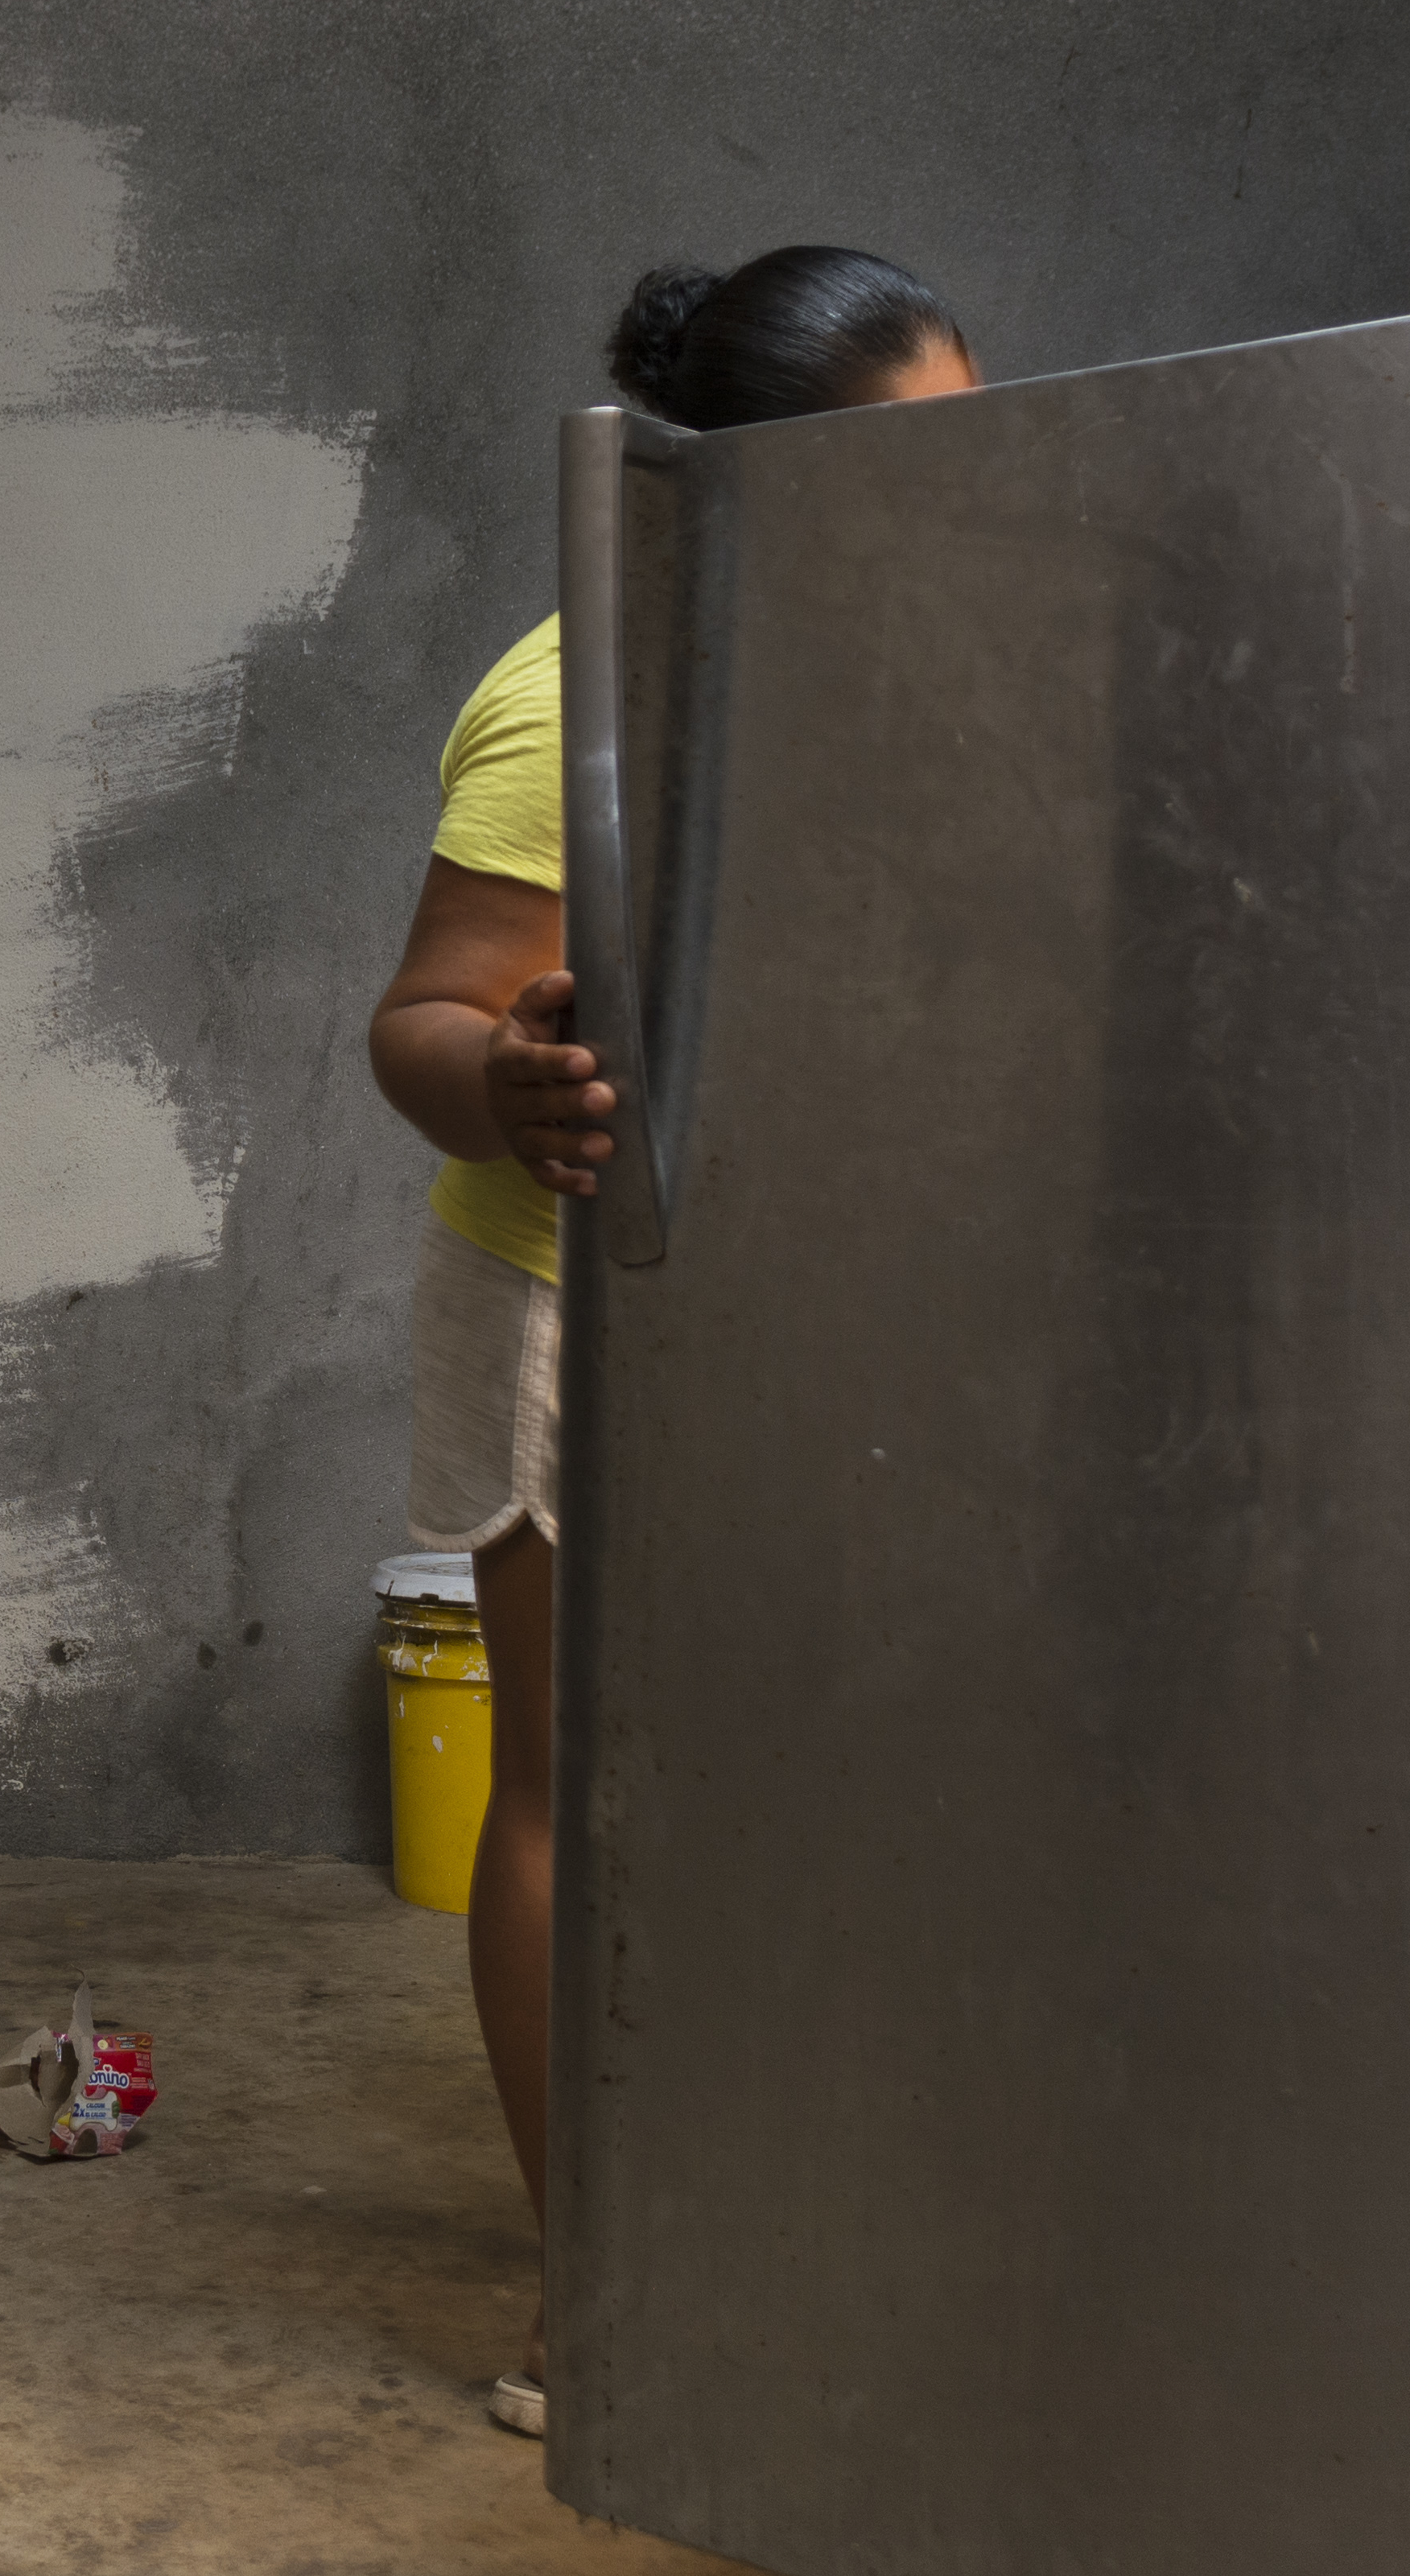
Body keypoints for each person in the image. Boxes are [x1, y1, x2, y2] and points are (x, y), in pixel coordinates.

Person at [365, 245, 980, 2438]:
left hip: (826, 1290)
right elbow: (423, 1015)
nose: (962, 498)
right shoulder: (574, 698)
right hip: (575, 1292)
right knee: (584, 1795)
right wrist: (503, 1080)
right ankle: (595, 2296)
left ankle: (813, 2226)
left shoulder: (921, 656)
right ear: (742, 496)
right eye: (904, 467)